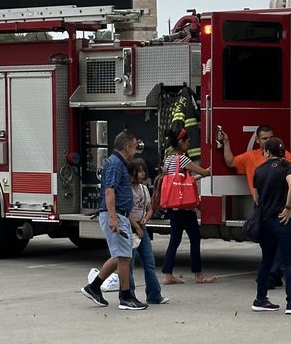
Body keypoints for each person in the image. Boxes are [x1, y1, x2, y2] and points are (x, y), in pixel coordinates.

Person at [219, 124, 291, 288]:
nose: (268, 141)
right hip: (263, 207)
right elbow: (230, 162)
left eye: (270, 138)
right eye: (264, 138)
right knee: (270, 245)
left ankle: (270, 278)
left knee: (277, 244)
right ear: (257, 141)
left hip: (279, 206)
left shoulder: (284, 156)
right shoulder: (250, 157)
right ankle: (273, 278)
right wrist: (227, 142)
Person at [80, 129, 148, 311]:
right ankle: (126, 297)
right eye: (134, 147)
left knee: (120, 256)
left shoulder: (118, 163)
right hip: (116, 214)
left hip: (119, 214)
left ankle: (93, 287)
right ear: (126, 147)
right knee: (124, 257)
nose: (135, 152)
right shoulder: (115, 165)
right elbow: (110, 191)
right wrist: (113, 218)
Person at [251, 136, 291, 314]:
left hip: (265, 221)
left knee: (267, 259)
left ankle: (260, 299)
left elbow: (257, 197)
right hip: (283, 219)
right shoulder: (287, 167)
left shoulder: (259, 170)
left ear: (267, 152)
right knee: (289, 261)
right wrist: (288, 207)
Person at [158, 128, 216, 284]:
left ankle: (167, 274)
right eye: (187, 141)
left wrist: (200, 175)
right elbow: (202, 172)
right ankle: (198, 274)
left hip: (173, 206)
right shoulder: (182, 159)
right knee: (195, 239)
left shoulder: (168, 159)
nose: (189, 144)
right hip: (185, 208)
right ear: (181, 142)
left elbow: (182, 181)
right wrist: (208, 171)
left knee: (174, 240)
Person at [127, 157, 167, 305]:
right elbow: (126, 212)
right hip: (130, 228)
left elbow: (150, 208)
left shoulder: (144, 189)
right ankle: (128, 294)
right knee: (128, 265)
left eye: (143, 171)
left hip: (141, 228)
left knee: (149, 263)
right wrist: (137, 227)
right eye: (139, 171)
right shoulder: (126, 189)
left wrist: (146, 219)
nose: (142, 174)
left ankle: (154, 295)